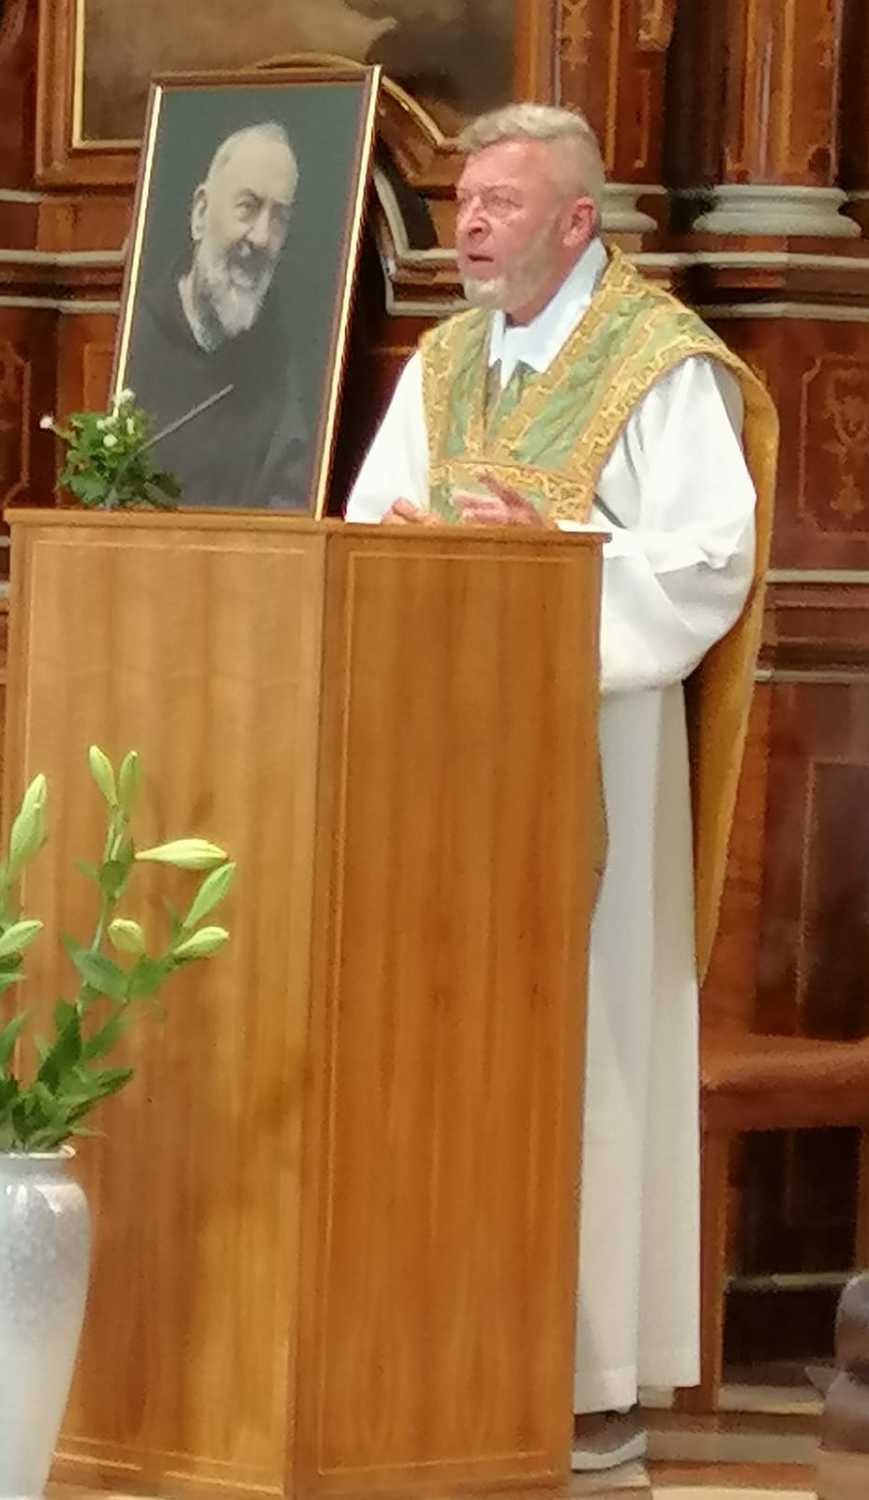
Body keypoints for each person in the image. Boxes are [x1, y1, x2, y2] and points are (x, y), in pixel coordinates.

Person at [345, 102, 777, 1472]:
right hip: (441, 772)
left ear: (577, 220)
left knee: (590, 1050)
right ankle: (436, 1343)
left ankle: (587, 1378)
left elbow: (710, 560)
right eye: (463, 201)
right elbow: (366, 530)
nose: (468, 226)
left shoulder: (659, 363)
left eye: (500, 204)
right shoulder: (446, 360)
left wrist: (561, 554)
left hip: (595, 773)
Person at [125, 121, 310, 511]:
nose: (261, 237)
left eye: (279, 218)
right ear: (200, 214)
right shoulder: (130, 342)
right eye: (248, 207)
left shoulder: (282, 367)